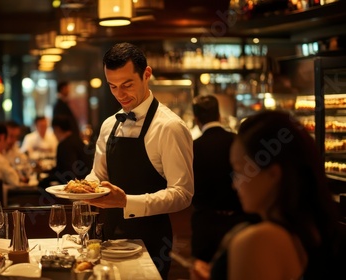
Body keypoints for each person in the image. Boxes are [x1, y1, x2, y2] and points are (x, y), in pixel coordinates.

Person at [190, 110, 345, 280]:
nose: (234, 185)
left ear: (273, 174)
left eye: (240, 171)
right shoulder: (314, 229)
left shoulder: (258, 241)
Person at [85, 42, 194, 279]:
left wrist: (127, 202)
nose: (120, 94)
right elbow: (98, 176)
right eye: (112, 86)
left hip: (152, 240)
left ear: (147, 74)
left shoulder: (170, 127)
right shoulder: (108, 124)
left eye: (127, 85)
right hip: (109, 237)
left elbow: (183, 194)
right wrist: (83, 190)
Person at [190, 95, 258, 263]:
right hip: (239, 222)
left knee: (204, 270)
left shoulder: (192, 147)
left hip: (205, 223)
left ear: (196, 120)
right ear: (219, 116)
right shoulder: (238, 141)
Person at [38, 115, 93, 189]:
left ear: (57, 129)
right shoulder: (77, 141)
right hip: (88, 184)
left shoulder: (65, 145)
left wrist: (46, 179)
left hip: (78, 189)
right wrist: (46, 172)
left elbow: (67, 173)